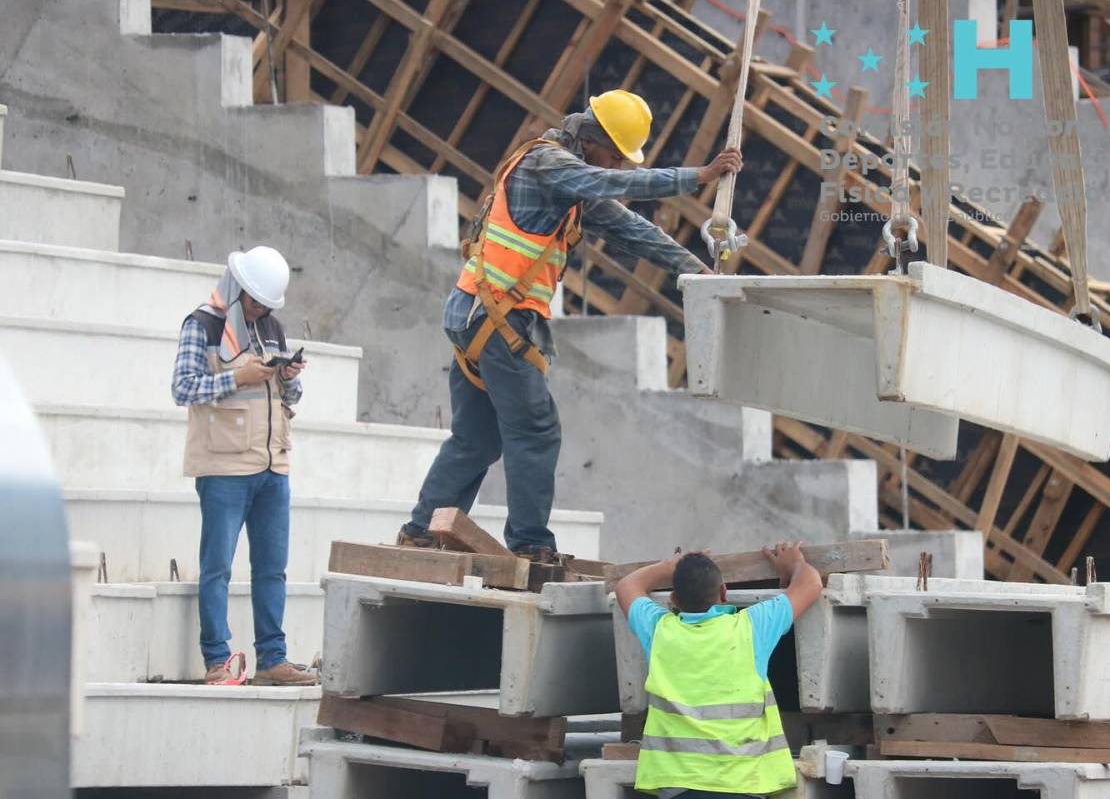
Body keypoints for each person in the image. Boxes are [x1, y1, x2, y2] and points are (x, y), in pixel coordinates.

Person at [399, 89, 743, 561]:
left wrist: (696, 271)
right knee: (536, 431)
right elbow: (608, 182)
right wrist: (697, 177)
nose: (620, 167)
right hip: (499, 321)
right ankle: (531, 545)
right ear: (594, 140)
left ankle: (421, 531)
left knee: (476, 438)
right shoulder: (549, 165)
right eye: (618, 156)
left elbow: (633, 229)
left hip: (477, 315)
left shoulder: (566, 183)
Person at [171, 245, 317, 686]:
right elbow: (182, 388)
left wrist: (289, 379)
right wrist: (238, 376)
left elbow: (287, 400)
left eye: (266, 304)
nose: (258, 310)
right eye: (254, 301)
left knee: (272, 568)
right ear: (236, 289)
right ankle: (217, 661)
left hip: (273, 466)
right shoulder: (202, 325)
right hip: (224, 467)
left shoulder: (271, 326)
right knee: (217, 566)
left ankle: (273, 659)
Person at [615, 542, 824, 798]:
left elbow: (627, 586)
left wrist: (668, 567)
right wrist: (794, 564)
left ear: (674, 600)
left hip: (678, 786)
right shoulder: (751, 627)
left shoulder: (659, 630)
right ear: (724, 592)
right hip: (744, 782)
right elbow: (811, 584)